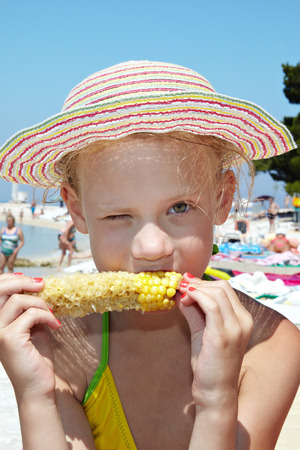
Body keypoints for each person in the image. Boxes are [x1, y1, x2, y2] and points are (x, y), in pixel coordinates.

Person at [0, 61, 299, 449]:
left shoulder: (270, 347)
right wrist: (34, 397)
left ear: (223, 198)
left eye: (179, 207)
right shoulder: (60, 345)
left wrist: (217, 401)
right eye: (118, 215)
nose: (152, 247)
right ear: (76, 210)